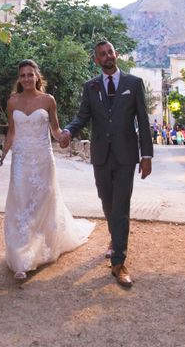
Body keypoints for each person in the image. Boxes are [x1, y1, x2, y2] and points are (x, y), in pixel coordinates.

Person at [60, 41, 153, 287]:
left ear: (116, 54)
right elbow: (82, 116)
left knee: (121, 205)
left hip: (126, 156)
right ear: (96, 60)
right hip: (101, 155)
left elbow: (143, 121)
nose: (107, 56)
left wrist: (147, 156)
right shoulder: (90, 86)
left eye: (110, 52)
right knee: (107, 201)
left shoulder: (133, 84)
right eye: (102, 54)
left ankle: (119, 263)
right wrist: (69, 131)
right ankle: (115, 237)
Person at [2, 60, 94, 280]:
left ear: (37, 76)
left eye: (30, 75)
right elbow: (11, 133)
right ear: (19, 78)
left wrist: (63, 137)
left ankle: (39, 249)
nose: (26, 79)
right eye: (22, 75)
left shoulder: (48, 100)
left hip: (43, 159)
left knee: (42, 204)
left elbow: (54, 128)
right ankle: (21, 258)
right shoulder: (12, 102)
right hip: (21, 160)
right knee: (20, 204)